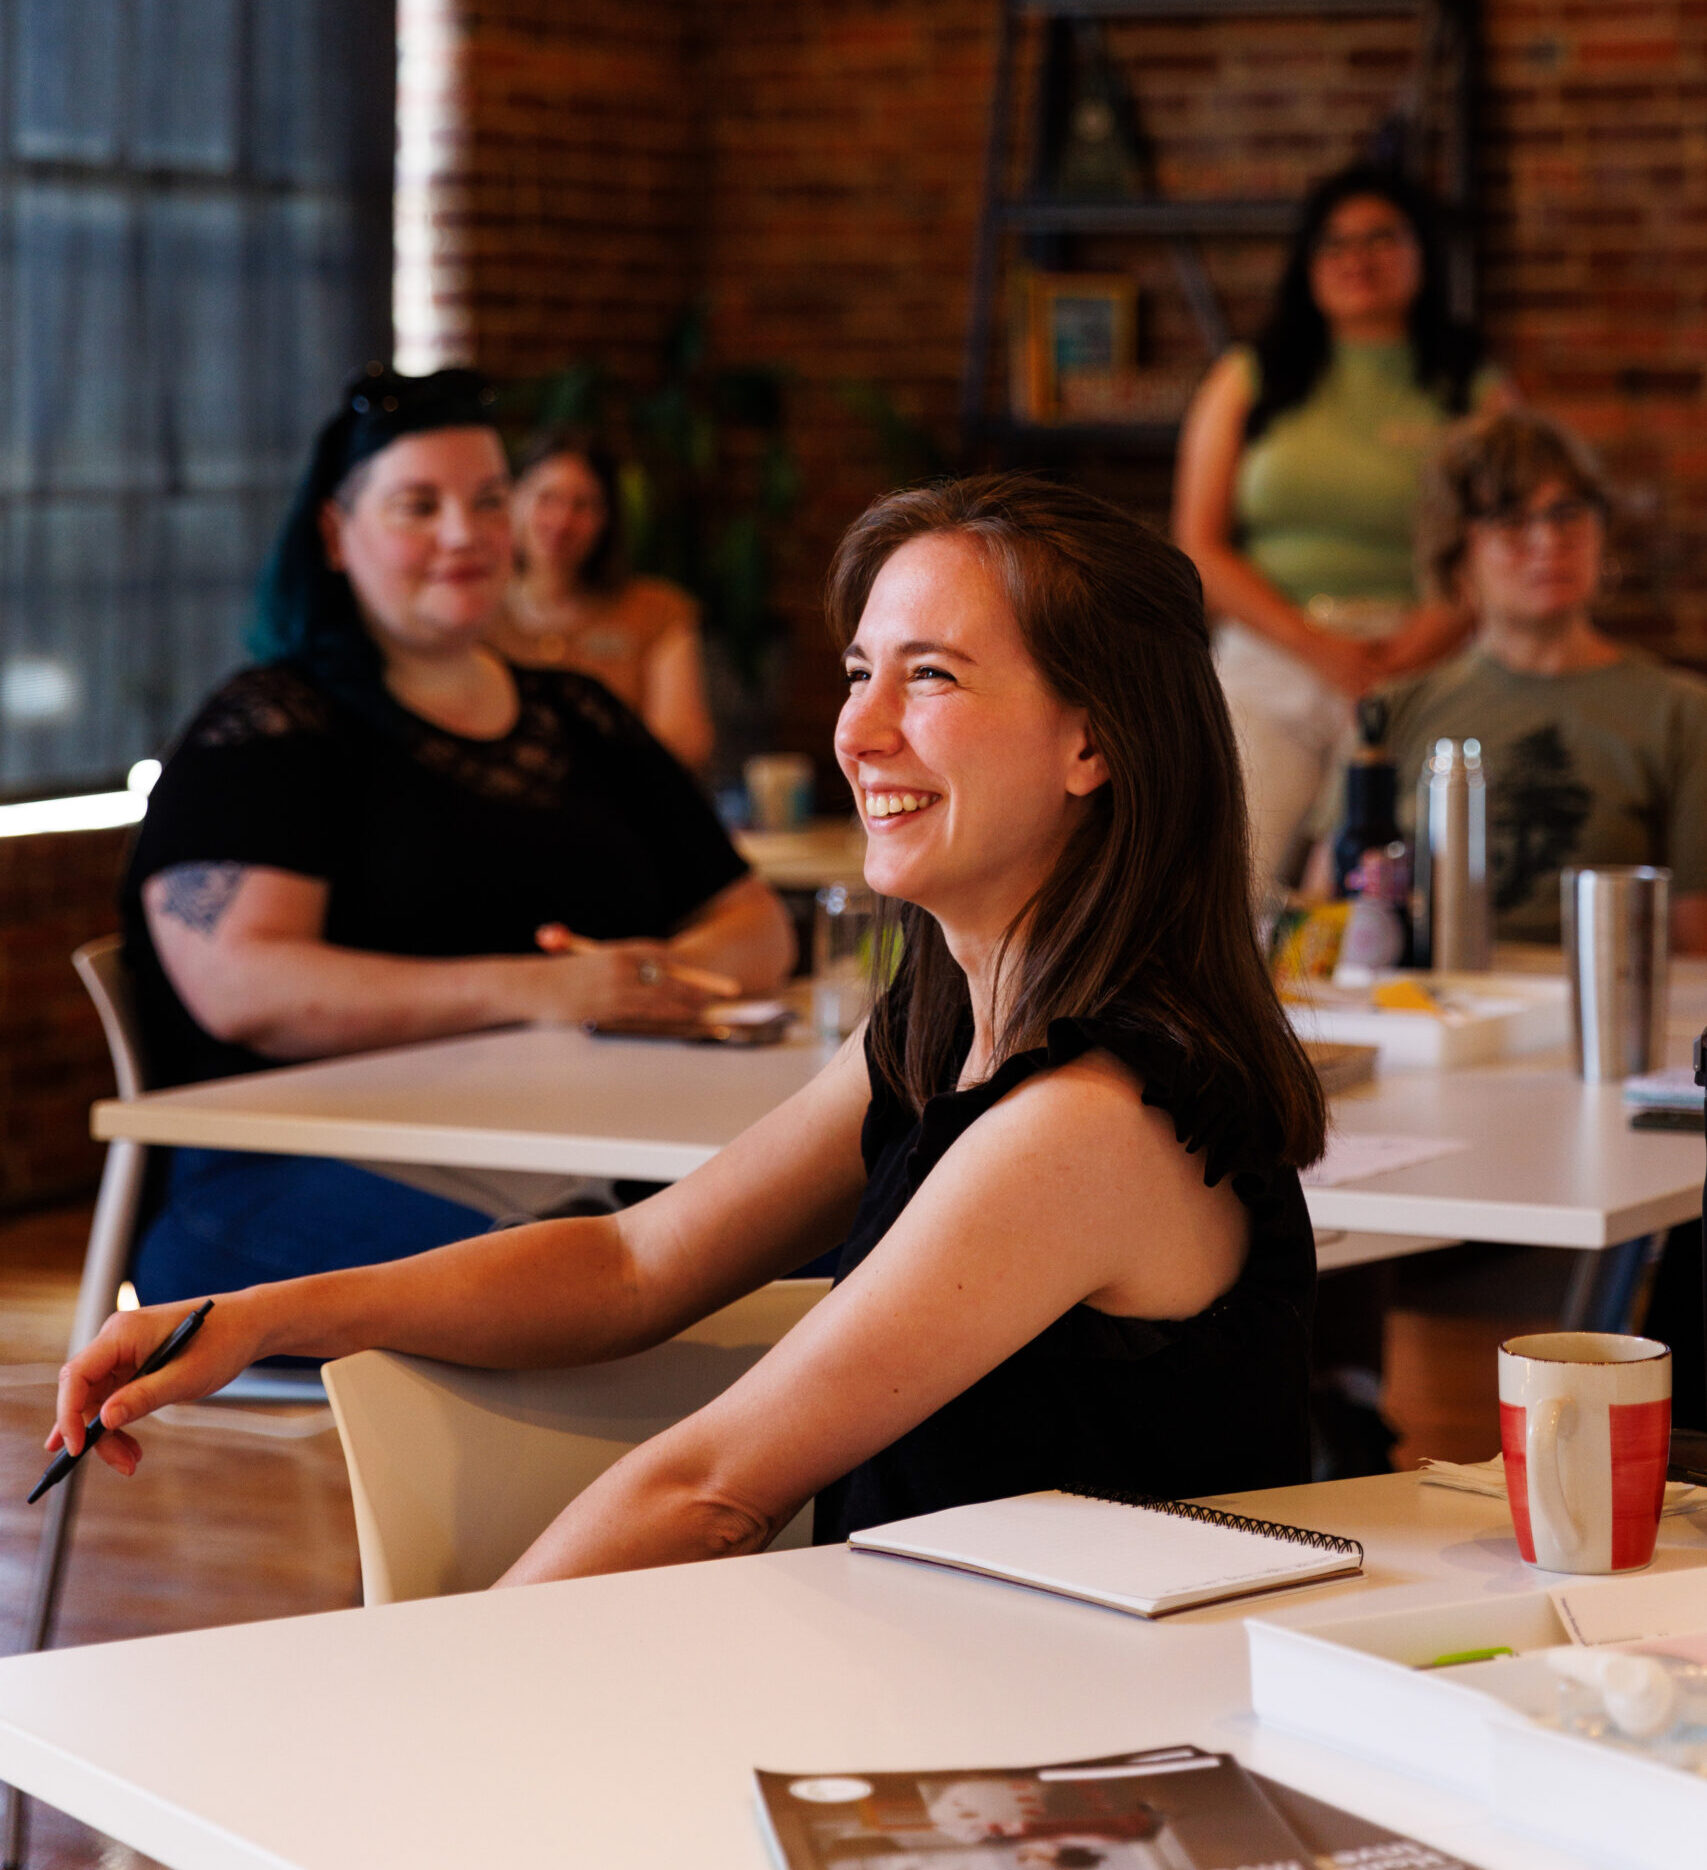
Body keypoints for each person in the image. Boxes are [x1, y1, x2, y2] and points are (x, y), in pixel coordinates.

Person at [55, 473, 1324, 1581]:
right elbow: (635, 1264)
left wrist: (428, 1695)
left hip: (1052, 1745)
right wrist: (264, 1314)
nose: (858, 730)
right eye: (859, 672)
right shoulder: (944, 1026)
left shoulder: (1088, 1119)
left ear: (1093, 743)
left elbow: (711, 1493)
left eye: (931, 675)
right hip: (924, 1671)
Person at [121, 366, 793, 1303]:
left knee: (837, 1238)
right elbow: (246, 989)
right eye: (419, 506)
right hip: (278, 1179)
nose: (463, 534)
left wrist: (640, 984)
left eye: (486, 501)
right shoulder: (271, 726)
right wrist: (542, 990)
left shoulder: (580, 716)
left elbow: (756, 923)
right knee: (603, 1288)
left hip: (571, 1156)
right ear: (335, 533)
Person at [1173, 162, 1507, 888]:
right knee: (1226, 874)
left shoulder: (1473, 388)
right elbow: (1198, 544)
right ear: (1307, 262)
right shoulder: (1247, 377)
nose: (1357, 258)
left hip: (1424, 662)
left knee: (1395, 891)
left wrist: (1408, 651)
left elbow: (1499, 544)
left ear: (1422, 252)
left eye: (1381, 238)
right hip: (1272, 654)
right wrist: (1317, 647)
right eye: (1334, 242)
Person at [1312, 409, 1707, 952]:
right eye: (1511, 521)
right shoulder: (1393, 710)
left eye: (1567, 513)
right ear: (1459, 554)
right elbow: (1323, 917)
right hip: (1427, 995)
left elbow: (1695, 947)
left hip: (1598, 995)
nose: (1548, 540)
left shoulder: (1682, 713)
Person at [488, 429, 715, 769]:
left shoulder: (657, 610)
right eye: (546, 498)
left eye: (582, 505)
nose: (562, 521)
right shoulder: (476, 613)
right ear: (513, 500)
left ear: (607, 518)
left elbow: (685, 745)